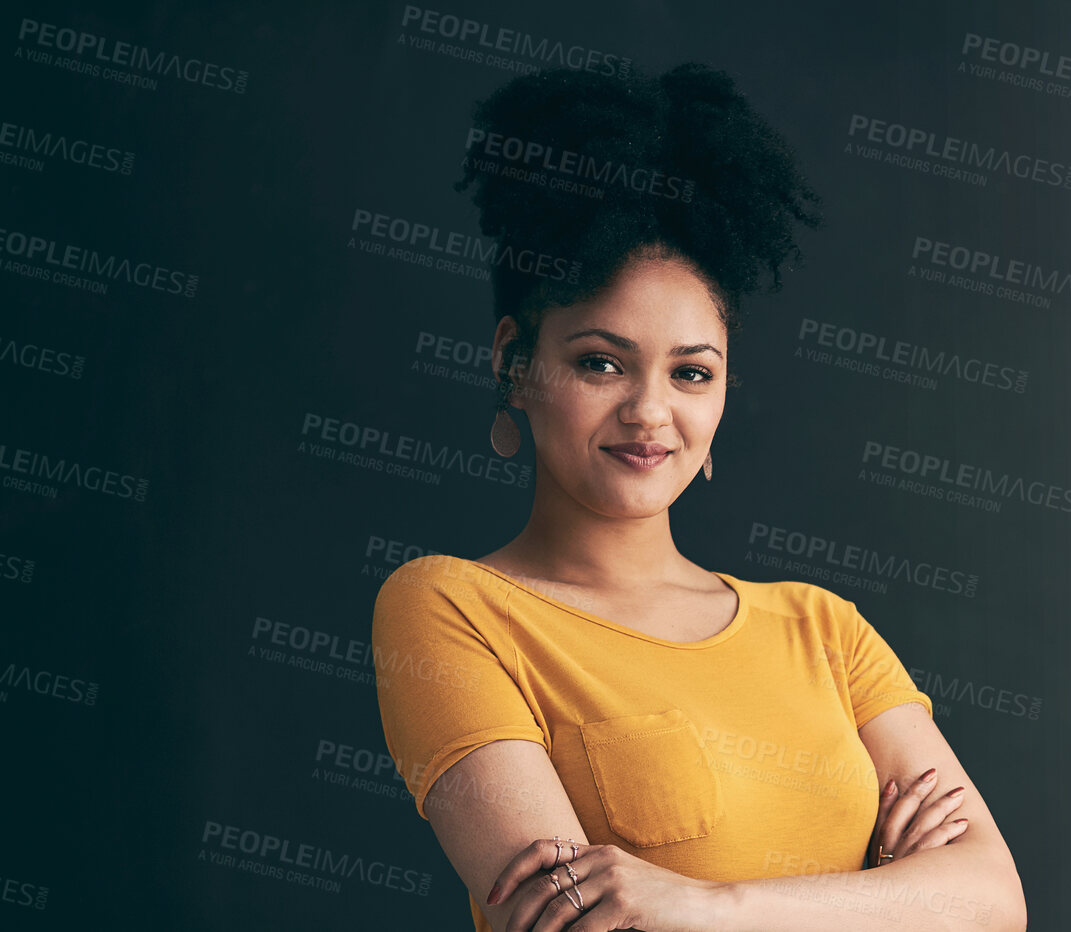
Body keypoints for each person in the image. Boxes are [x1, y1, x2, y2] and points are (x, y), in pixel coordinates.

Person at [370, 63, 1025, 932]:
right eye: (599, 362)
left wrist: (700, 903)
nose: (650, 412)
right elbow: (582, 926)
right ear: (512, 363)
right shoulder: (453, 610)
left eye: (690, 373)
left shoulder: (824, 630)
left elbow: (992, 902)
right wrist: (888, 897)